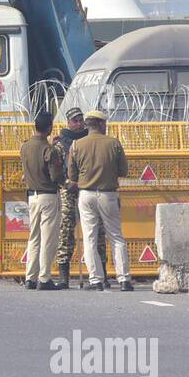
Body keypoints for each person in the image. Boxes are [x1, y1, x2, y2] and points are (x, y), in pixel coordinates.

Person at [67, 110, 132, 291]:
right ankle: (124, 279)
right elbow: (123, 171)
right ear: (102, 124)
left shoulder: (76, 145)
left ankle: (95, 280)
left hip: (86, 194)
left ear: (87, 125)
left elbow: (71, 175)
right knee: (116, 237)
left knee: (90, 239)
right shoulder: (114, 143)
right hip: (108, 194)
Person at [55, 106, 106, 288]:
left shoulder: (90, 140)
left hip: (88, 188)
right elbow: (56, 169)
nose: (78, 124)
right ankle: (63, 275)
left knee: (97, 231)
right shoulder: (60, 143)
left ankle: (102, 273)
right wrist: (68, 183)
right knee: (66, 231)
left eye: (80, 120)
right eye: (74, 121)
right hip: (68, 190)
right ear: (68, 122)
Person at [19, 112, 63, 291]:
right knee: (48, 238)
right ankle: (44, 278)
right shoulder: (49, 150)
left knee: (34, 237)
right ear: (50, 128)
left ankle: (30, 277)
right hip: (48, 196)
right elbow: (55, 175)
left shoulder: (25, 146)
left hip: (32, 197)